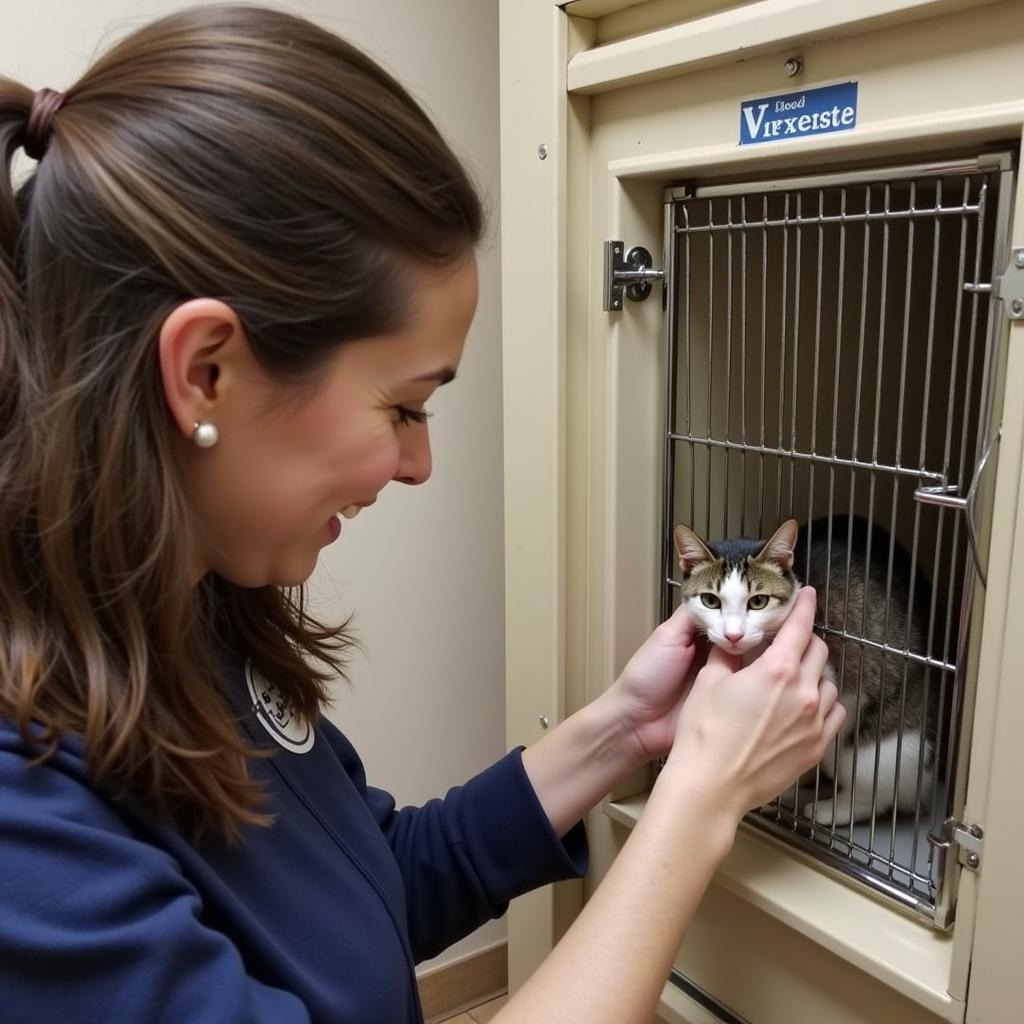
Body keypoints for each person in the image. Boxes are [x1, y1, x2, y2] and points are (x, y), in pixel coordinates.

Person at [0, 6, 844, 1022]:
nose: (420, 463)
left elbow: (362, 891)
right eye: (404, 406)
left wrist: (625, 729)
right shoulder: (24, 827)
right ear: (205, 373)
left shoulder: (192, 605)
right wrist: (702, 795)